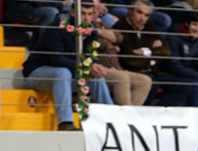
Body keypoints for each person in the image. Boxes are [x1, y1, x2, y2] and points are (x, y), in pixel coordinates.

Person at [22, 2, 113, 131]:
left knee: (96, 77)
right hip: (38, 73)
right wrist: (87, 67)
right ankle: (65, 122)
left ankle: (112, 118)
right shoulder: (58, 26)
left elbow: (90, 57)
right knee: (63, 72)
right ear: (73, 12)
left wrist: (95, 66)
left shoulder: (92, 32)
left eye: (90, 14)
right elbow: (57, 59)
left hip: (66, 77)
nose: (86, 18)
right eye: (82, 13)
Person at [95, 6, 153, 106]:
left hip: (116, 68)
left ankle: (130, 116)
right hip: (101, 67)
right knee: (121, 77)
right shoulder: (83, 27)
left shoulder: (102, 25)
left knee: (145, 81)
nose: (97, 12)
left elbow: (119, 37)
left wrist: (101, 32)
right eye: (94, 10)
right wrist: (109, 44)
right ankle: (126, 116)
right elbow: (94, 41)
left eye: (97, 9)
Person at [159, 11, 198, 106]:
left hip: (191, 76)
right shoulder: (173, 38)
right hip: (169, 75)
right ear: (187, 24)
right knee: (194, 85)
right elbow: (175, 67)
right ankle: (194, 118)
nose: (197, 29)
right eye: (194, 25)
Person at [113, 0, 168, 84]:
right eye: (139, 12)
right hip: (133, 73)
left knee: (185, 87)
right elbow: (129, 61)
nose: (142, 18)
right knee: (153, 85)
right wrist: (153, 56)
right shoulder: (120, 26)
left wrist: (145, 51)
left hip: (151, 72)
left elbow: (167, 51)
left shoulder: (148, 24)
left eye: (146, 15)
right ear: (130, 11)